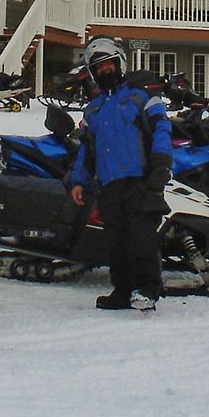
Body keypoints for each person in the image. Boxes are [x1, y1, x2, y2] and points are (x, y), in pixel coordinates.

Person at [66, 37, 173, 312]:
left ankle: (147, 289)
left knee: (142, 238)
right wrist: (78, 181)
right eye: (99, 67)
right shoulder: (93, 110)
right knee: (116, 241)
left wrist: (161, 166)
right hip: (109, 185)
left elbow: (162, 130)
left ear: (119, 64)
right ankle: (123, 291)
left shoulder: (142, 97)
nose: (105, 70)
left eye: (109, 64)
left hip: (139, 181)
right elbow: (86, 151)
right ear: (92, 73)